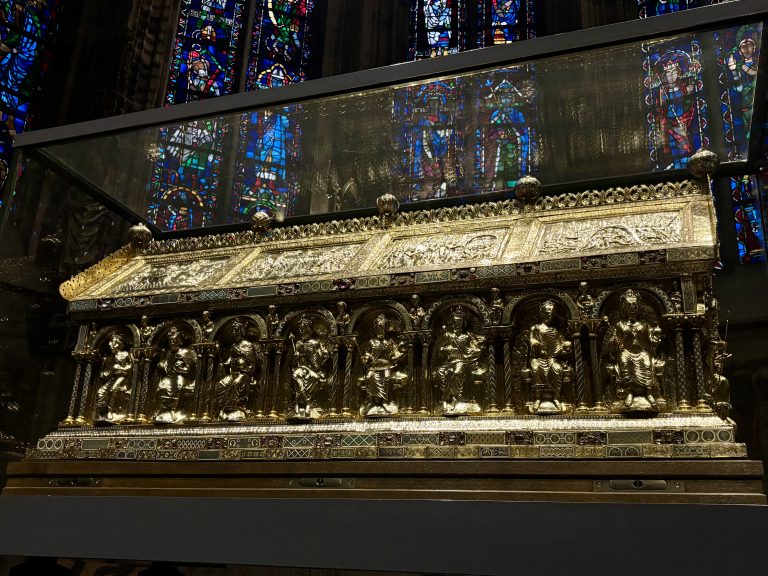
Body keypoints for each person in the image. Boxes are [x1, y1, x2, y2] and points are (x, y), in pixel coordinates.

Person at [434, 307, 486, 414]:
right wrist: (447, 349)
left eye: (460, 322)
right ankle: (446, 398)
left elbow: (475, 348)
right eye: (456, 322)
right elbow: (440, 349)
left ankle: (456, 397)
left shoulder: (467, 336)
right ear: (452, 322)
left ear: (463, 323)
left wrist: (472, 350)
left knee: (457, 371)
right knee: (440, 372)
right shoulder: (448, 335)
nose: (457, 324)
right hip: (450, 361)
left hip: (463, 361)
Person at [526, 300, 571, 414]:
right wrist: (534, 342)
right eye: (546, 314)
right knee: (535, 369)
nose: (548, 316)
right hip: (538, 358)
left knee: (557, 369)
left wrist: (566, 345)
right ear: (542, 314)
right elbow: (531, 339)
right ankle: (537, 398)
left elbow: (562, 343)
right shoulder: (535, 328)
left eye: (551, 314)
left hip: (551, 358)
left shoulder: (555, 330)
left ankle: (556, 397)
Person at [358, 315, 407, 417]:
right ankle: (371, 401)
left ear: (386, 330)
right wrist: (365, 358)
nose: (380, 331)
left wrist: (399, 355)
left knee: (386, 378)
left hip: (386, 367)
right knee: (369, 377)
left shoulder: (390, 342)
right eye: (378, 329)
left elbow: (395, 355)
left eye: (382, 329)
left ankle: (385, 401)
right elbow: (367, 354)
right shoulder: (371, 342)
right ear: (375, 329)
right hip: (374, 367)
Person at [289, 316, 330, 419]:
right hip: (301, 369)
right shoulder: (298, 344)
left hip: (312, 370)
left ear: (309, 330)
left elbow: (318, 362)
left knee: (316, 378)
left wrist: (324, 354)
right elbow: (294, 364)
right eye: (301, 329)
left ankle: (304, 404)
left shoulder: (315, 344)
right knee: (295, 375)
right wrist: (296, 357)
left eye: (304, 329)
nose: (302, 331)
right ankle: (307, 403)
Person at [94, 333, 133, 424]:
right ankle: (101, 413)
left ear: (119, 344)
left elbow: (131, 367)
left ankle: (110, 412)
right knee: (100, 393)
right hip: (112, 378)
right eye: (111, 343)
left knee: (113, 390)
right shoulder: (110, 357)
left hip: (123, 377)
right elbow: (107, 371)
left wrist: (121, 368)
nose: (111, 345)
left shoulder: (126, 354)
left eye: (114, 343)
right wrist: (105, 373)